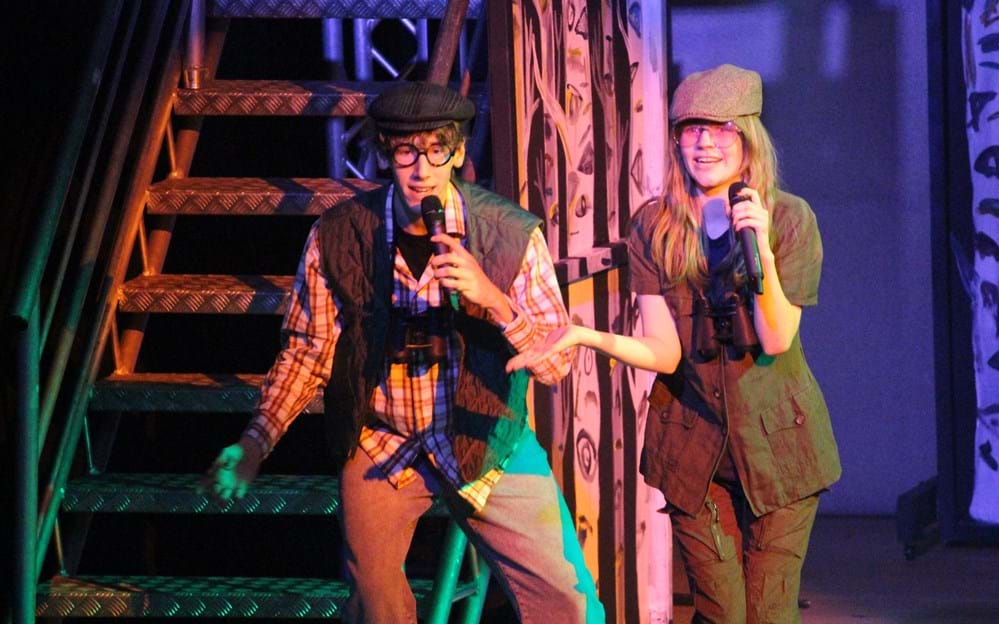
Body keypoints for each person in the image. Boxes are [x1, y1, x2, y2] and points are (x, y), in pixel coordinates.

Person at [204, 81, 604, 624]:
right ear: (384, 153)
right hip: (381, 437)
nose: (421, 169)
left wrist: (493, 299)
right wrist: (255, 441)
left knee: (568, 600)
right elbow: (308, 352)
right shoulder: (339, 234)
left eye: (437, 149)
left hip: (481, 433)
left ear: (457, 153)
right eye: (405, 151)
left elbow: (556, 364)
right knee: (375, 605)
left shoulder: (508, 234)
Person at [507, 64, 841, 623]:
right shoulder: (655, 226)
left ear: (748, 137)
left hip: (781, 450)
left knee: (768, 613)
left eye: (722, 128)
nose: (705, 143)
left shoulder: (788, 219)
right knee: (722, 613)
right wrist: (585, 334)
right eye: (692, 129)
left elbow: (777, 337)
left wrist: (759, 247)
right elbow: (665, 353)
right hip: (692, 448)